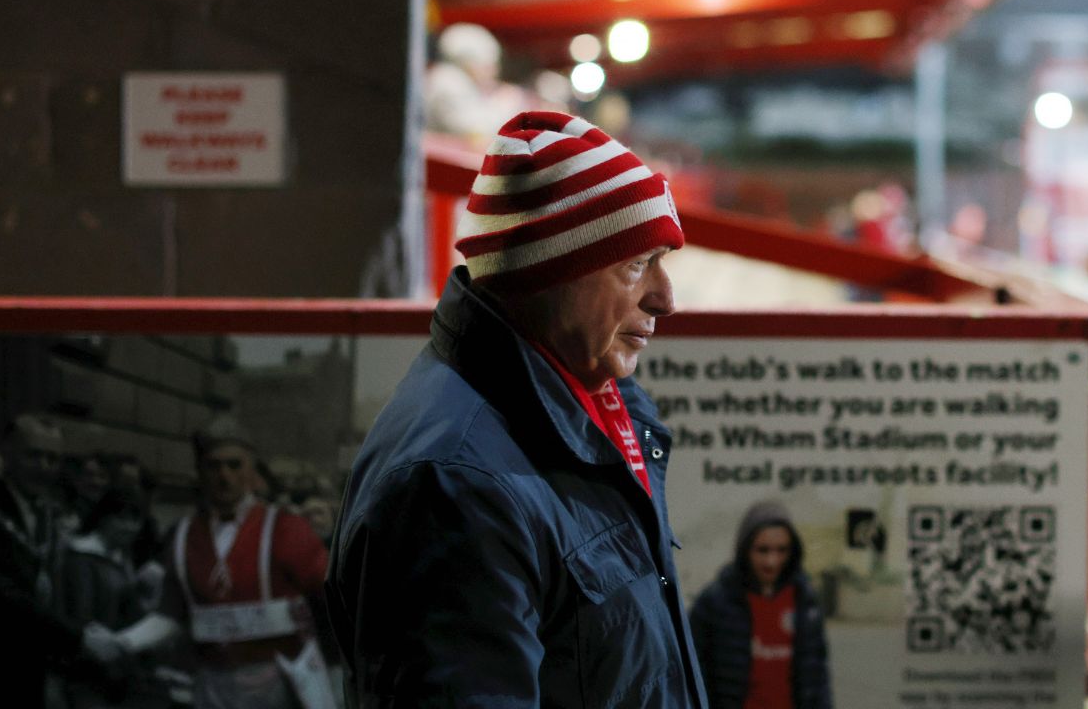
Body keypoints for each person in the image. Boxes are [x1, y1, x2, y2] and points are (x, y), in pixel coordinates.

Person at [330, 110, 705, 707]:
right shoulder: (454, 484)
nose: (666, 298)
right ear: (550, 274)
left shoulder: (593, 405)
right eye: (637, 264)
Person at [115, 417, 334, 709]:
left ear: (252, 471)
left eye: (234, 465)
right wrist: (123, 642)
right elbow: (171, 613)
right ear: (199, 472)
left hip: (278, 685)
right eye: (213, 466)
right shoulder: (183, 535)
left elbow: (334, 597)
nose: (224, 476)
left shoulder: (285, 529)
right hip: (211, 686)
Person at [0, 414, 125, 706]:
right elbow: (6, 600)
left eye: (53, 459)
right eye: (33, 456)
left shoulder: (43, 516)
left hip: (26, 675)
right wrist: (77, 637)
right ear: (7, 455)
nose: (44, 467)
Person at [689, 503, 833, 709]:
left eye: (781, 550)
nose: (771, 561)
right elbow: (694, 672)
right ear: (745, 549)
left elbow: (817, 676)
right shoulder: (715, 602)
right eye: (762, 550)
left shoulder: (805, 601)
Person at [60, 489, 154, 709]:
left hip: (117, 668)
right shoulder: (81, 558)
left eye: (135, 520)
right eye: (121, 518)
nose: (129, 527)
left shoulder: (121, 559)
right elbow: (81, 616)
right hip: (88, 668)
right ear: (103, 518)